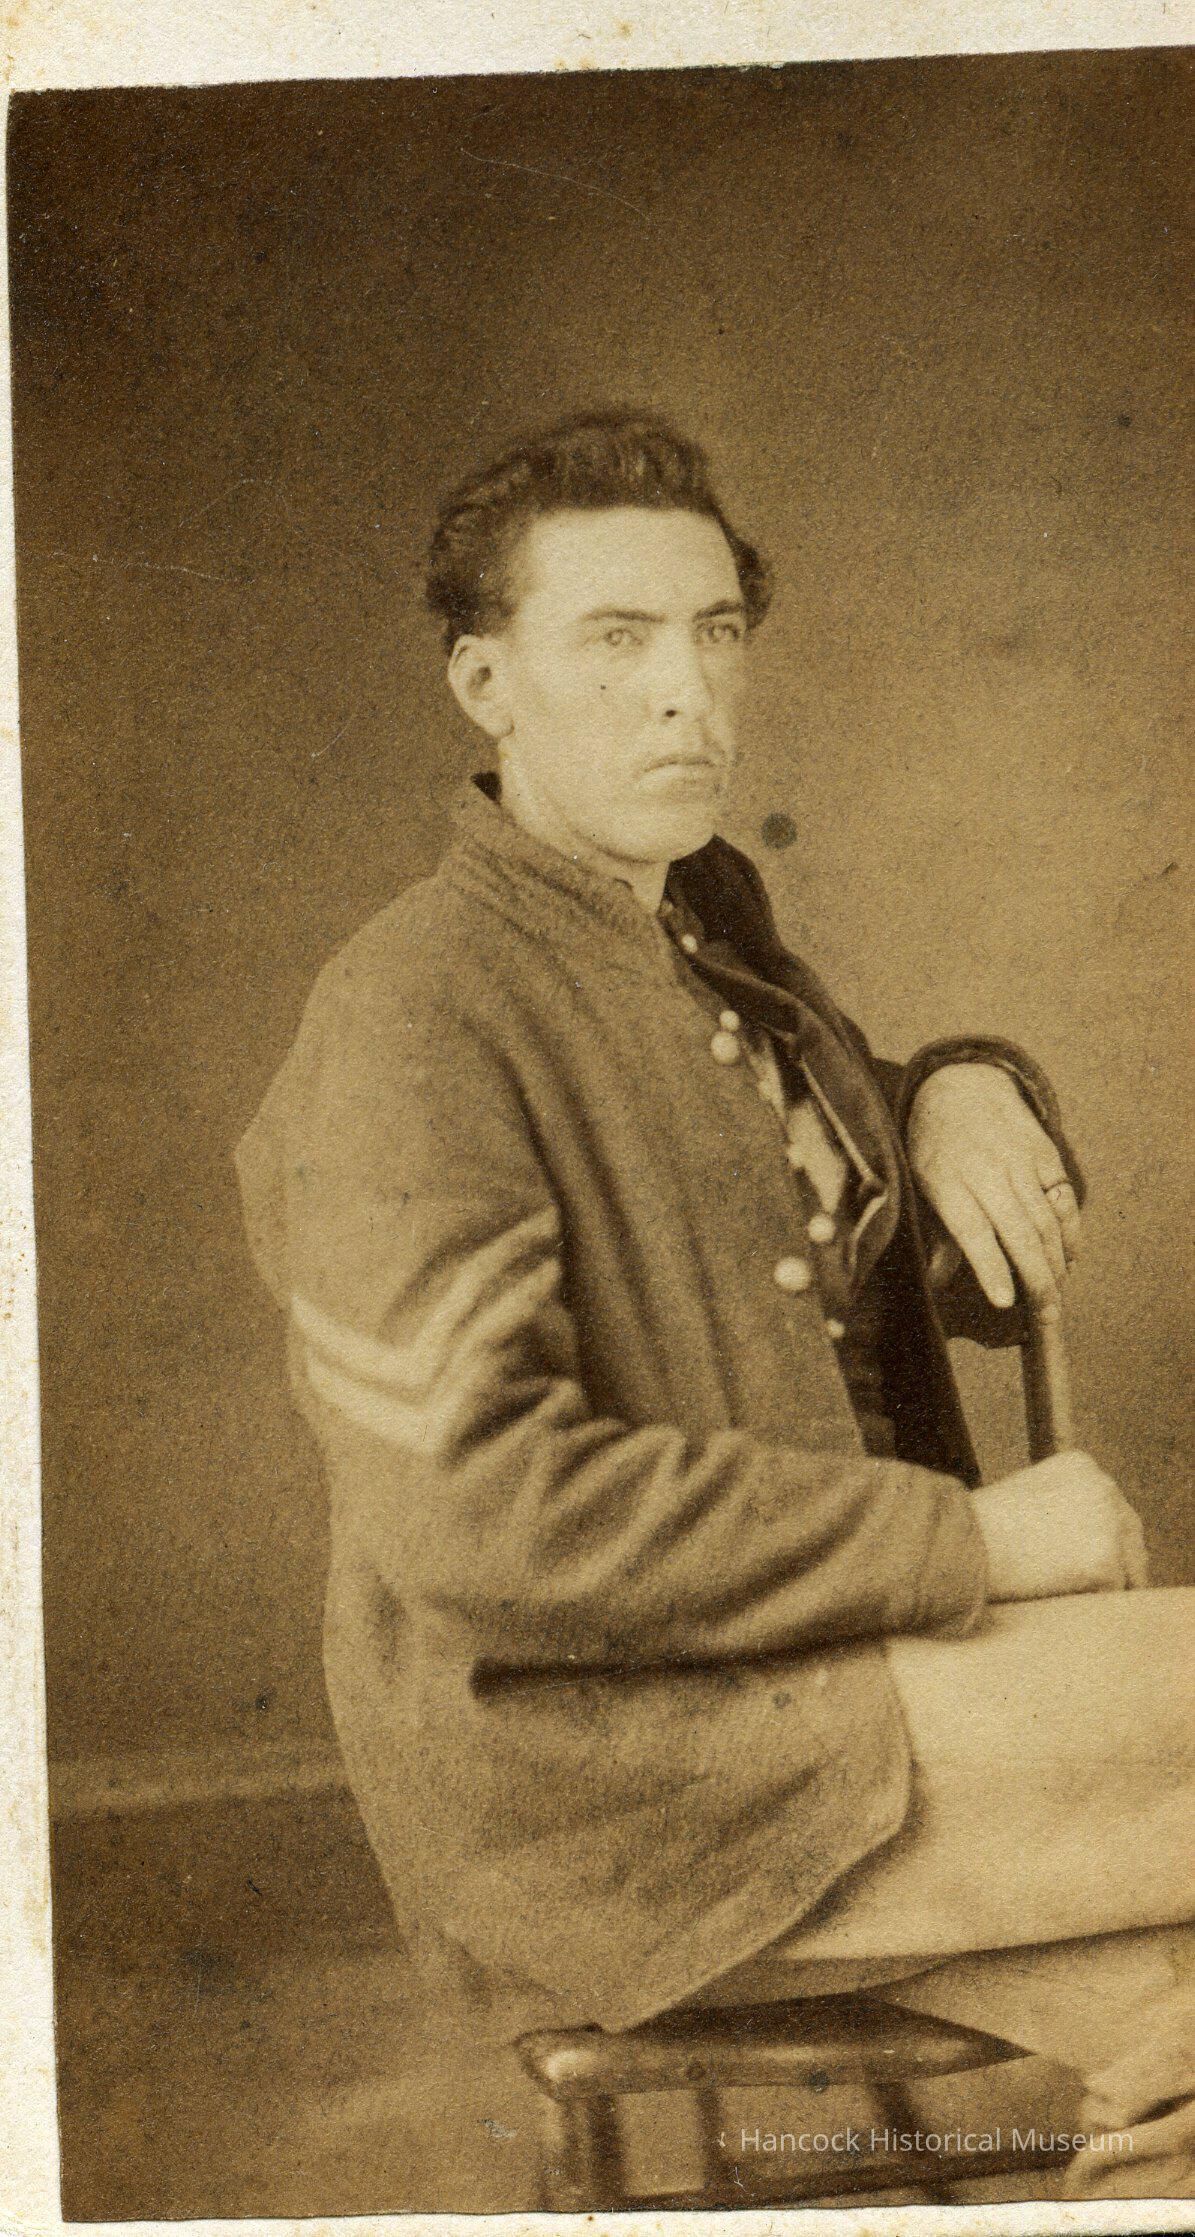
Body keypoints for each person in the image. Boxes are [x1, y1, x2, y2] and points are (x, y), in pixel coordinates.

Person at [235, 412, 1193, 2200]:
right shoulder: (411, 1011)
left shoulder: (699, 929)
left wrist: (948, 1082)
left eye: (715, 630)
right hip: (621, 1788)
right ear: (485, 684)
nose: (686, 691)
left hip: (814, 1685)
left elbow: (765, 1199)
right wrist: (974, 1541)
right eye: (615, 638)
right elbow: (489, 1513)